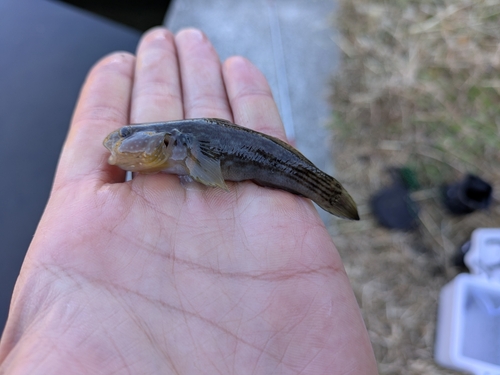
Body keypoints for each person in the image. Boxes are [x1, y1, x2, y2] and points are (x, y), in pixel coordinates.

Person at [0, 28, 378, 374]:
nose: (118, 140)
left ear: (166, 141)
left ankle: (327, 192)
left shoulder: (178, 141)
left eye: (128, 134)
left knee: (301, 176)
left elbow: (206, 174)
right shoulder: (173, 143)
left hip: (264, 158)